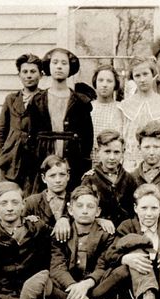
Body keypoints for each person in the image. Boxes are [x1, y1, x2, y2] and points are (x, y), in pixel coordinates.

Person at [47, 185, 129, 299]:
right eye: (79, 206)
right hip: (69, 285)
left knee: (122, 271)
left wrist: (86, 284)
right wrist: (74, 286)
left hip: (94, 285)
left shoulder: (106, 234)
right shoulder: (61, 232)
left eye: (90, 207)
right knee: (44, 281)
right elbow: (57, 267)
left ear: (98, 211)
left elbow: (102, 266)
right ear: (70, 210)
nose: (84, 211)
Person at [27, 47, 94, 192]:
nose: (59, 66)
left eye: (64, 63)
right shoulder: (37, 101)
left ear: (70, 68)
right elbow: (31, 136)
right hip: (43, 154)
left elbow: (87, 138)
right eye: (55, 62)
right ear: (48, 67)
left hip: (72, 157)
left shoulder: (81, 102)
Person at [119, 55, 160, 172]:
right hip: (131, 168)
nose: (142, 79)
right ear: (132, 78)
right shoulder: (125, 107)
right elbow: (119, 140)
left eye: (145, 74)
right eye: (137, 76)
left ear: (153, 74)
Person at [0, 53, 43, 195]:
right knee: (10, 196)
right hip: (12, 160)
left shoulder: (45, 98)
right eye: (25, 72)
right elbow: (1, 132)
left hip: (35, 159)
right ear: (19, 75)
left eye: (33, 72)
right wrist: (1, 156)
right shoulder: (11, 99)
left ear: (41, 74)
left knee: (32, 198)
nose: (29, 76)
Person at [81, 130, 138, 227]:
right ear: (97, 151)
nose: (112, 157)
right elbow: (83, 209)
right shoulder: (90, 179)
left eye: (116, 152)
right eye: (107, 152)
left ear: (123, 153)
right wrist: (98, 220)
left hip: (125, 230)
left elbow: (135, 208)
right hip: (99, 230)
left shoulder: (129, 179)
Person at [23, 155, 73, 242]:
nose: (58, 180)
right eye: (52, 176)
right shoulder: (32, 202)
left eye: (62, 175)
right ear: (44, 178)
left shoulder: (76, 200)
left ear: (68, 176)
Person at [89, 64, 124, 160]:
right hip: (92, 161)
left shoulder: (121, 109)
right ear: (95, 82)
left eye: (109, 81)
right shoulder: (88, 108)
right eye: (100, 80)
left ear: (115, 84)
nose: (104, 85)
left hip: (114, 160)